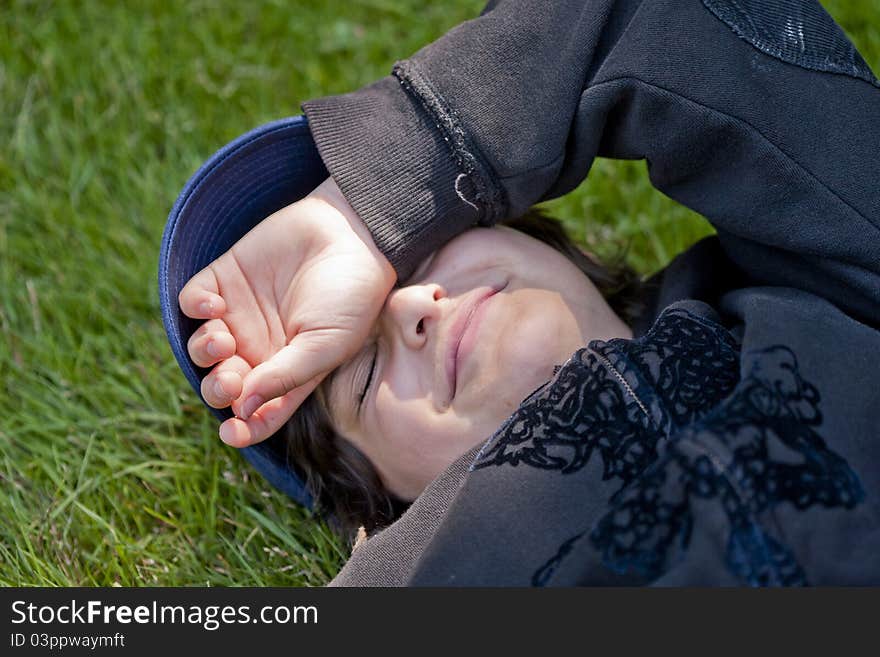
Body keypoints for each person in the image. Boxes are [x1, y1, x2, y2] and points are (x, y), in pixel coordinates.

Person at [177, 0, 880, 585]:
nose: (408, 306)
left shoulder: (815, 269)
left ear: (523, 223)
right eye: (361, 374)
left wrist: (373, 209)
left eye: (416, 252)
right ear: (378, 506)